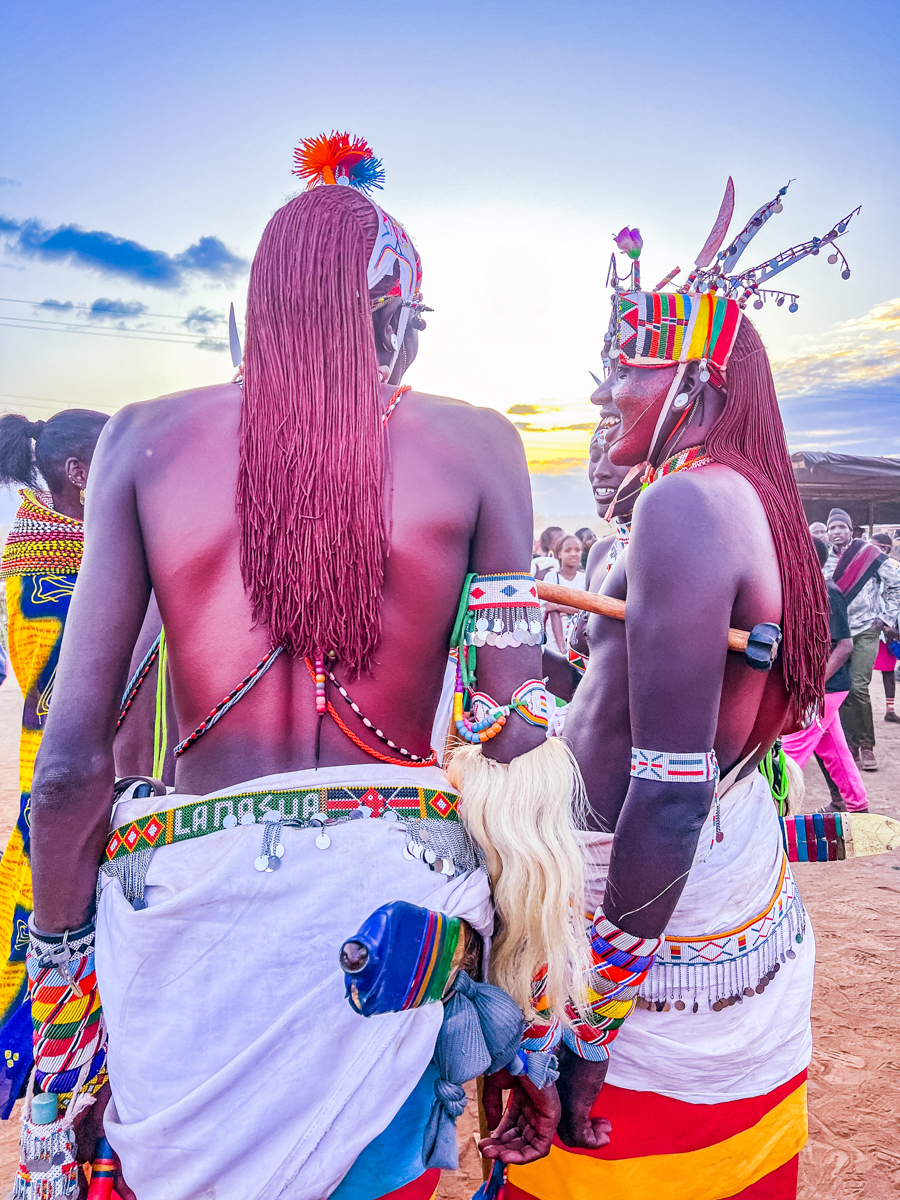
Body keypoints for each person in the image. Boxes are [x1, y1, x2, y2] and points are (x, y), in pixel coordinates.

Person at [27, 137, 586, 1199]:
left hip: (180, 921)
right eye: (412, 328)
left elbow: (67, 775)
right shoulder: (477, 449)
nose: (411, 354)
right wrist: (528, 1032)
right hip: (391, 925)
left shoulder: (140, 441)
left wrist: (65, 1021)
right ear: (386, 315)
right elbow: (514, 736)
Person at [498, 181, 841, 1198]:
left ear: (693, 377)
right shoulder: (755, 503)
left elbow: (673, 786)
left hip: (646, 920)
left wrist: (595, 1032)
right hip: (721, 898)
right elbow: (657, 694)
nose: (602, 396)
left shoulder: (687, 505)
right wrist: (558, 671)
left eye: (624, 374)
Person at [0, 408, 109, 1116]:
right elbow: (65, 688)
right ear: (78, 474)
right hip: (67, 781)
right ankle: (59, 1099)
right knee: (62, 930)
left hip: (55, 777)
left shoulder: (42, 549)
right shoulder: (61, 566)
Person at [781, 538, 867, 813]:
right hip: (825, 688)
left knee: (790, 754)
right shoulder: (809, 591)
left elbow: (845, 645)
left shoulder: (828, 592)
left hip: (825, 690)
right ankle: (857, 804)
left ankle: (771, 811)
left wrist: (813, 686)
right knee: (835, 752)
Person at [825, 508, 900, 769]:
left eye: (841, 527)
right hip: (835, 635)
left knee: (858, 686)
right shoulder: (823, 559)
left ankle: (866, 746)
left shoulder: (869, 555)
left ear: (850, 529)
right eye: (832, 528)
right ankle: (850, 746)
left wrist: (887, 618)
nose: (837, 532)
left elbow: (895, 584)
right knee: (842, 690)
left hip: (866, 629)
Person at [869, 532, 900, 724]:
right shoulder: (866, 568)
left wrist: (891, 624)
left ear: (885, 548)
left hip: (887, 628)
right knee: (860, 671)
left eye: (873, 547)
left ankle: (890, 710)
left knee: (888, 669)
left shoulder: (896, 568)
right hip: (869, 624)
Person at [541, 534, 586, 654]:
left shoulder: (585, 579)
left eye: (577, 550)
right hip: (554, 642)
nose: (573, 554)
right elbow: (550, 611)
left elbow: (585, 611)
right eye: (568, 550)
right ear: (559, 554)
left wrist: (558, 606)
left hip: (579, 641)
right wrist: (562, 649)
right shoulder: (551, 578)